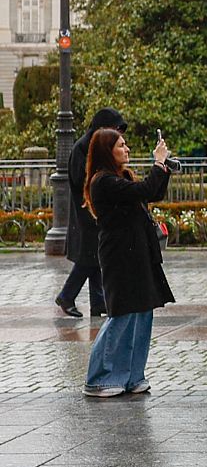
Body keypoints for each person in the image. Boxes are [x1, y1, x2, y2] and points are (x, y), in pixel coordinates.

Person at [81, 128, 177, 397]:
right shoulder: (103, 181)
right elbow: (145, 189)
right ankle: (99, 378)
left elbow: (152, 193)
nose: (127, 149)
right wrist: (158, 162)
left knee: (143, 312)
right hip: (119, 256)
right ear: (107, 151)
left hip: (138, 254)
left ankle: (132, 376)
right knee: (122, 314)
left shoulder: (121, 177)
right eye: (121, 145)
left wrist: (163, 167)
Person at [57, 108, 126, 318]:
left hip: (95, 209)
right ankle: (67, 295)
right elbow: (80, 179)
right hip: (86, 211)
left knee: (96, 257)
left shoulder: (92, 146)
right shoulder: (82, 148)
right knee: (88, 258)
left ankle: (98, 302)